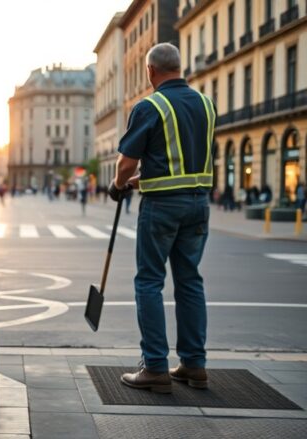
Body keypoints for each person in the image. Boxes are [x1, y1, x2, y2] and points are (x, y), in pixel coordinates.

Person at [108, 43, 215, 394]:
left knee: (149, 282)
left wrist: (120, 183)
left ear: (150, 71)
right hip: (199, 204)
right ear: (179, 67)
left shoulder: (150, 105)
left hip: (162, 208)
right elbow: (180, 160)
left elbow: (127, 161)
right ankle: (193, 365)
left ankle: (155, 366)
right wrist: (144, 177)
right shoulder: (206, 105)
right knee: (189, 282)